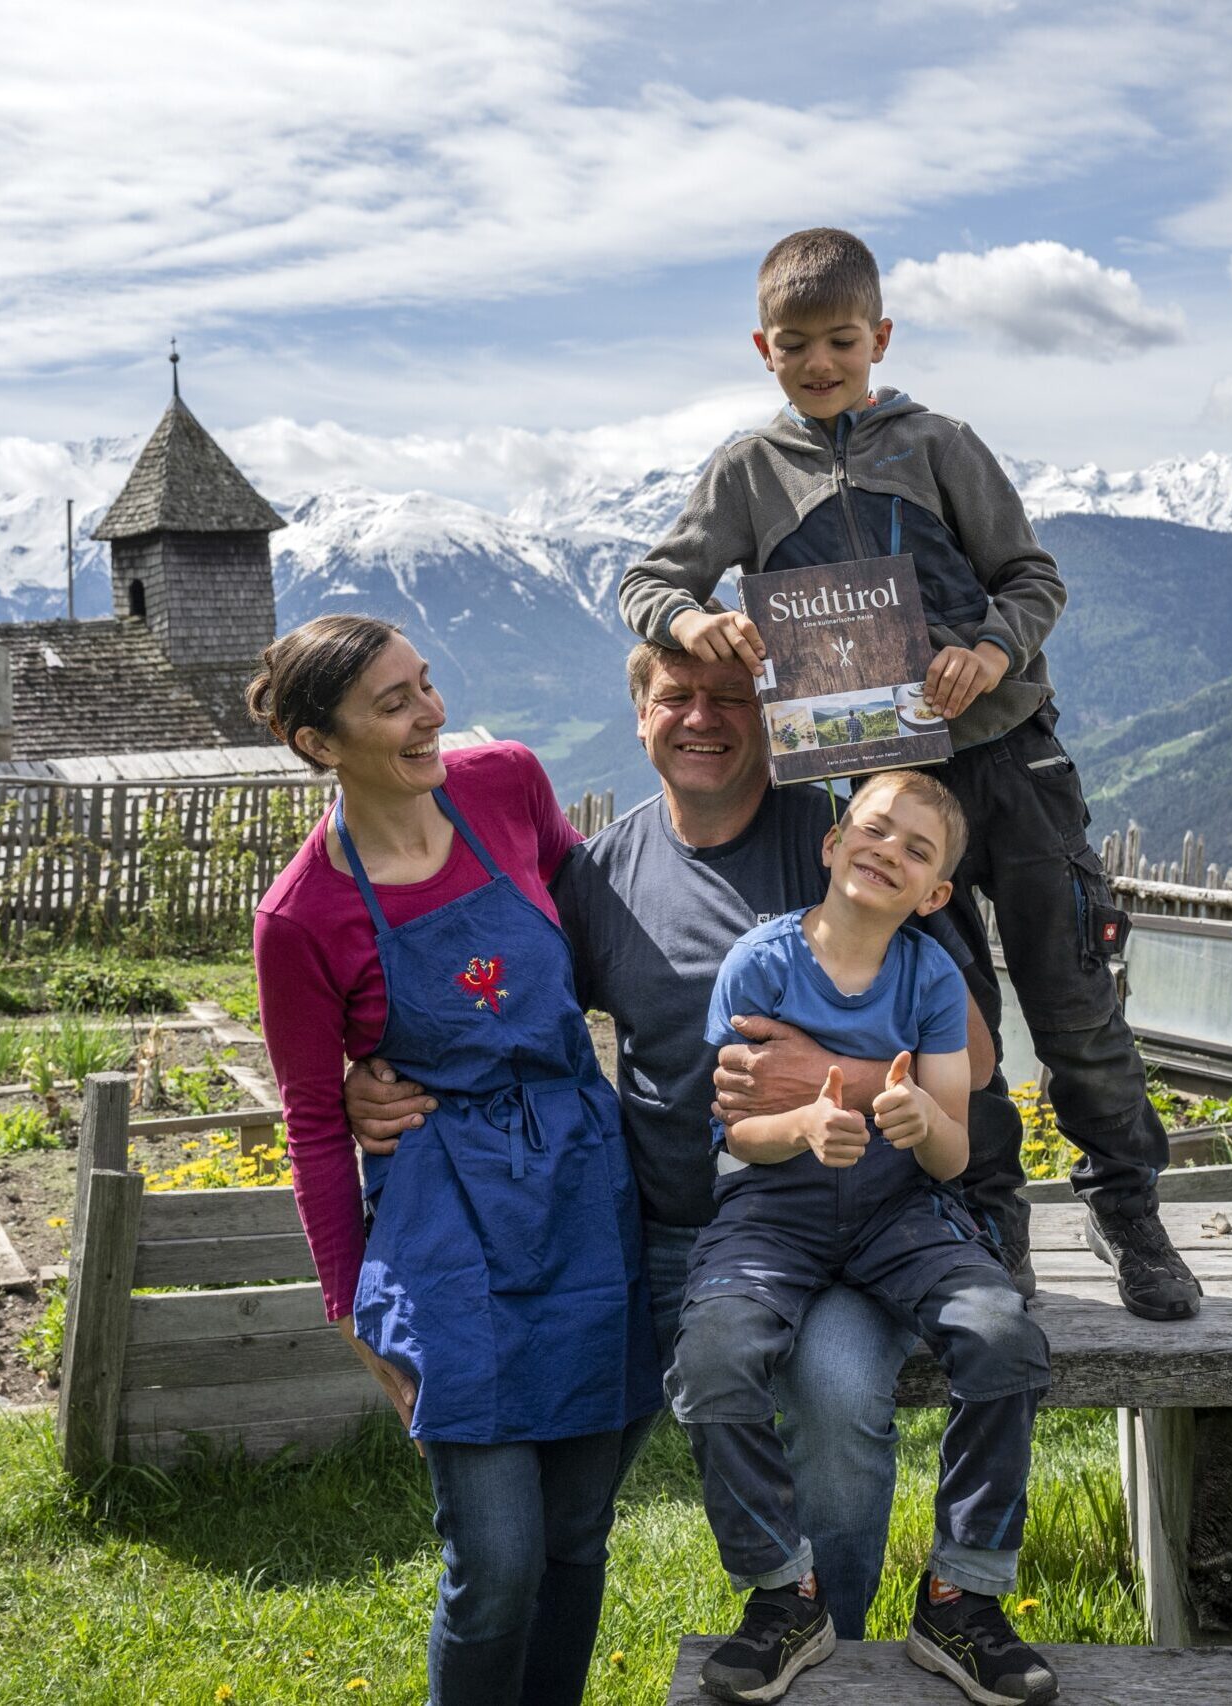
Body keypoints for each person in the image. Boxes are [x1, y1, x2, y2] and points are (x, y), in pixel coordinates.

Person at [347, 633, 1001, 1645]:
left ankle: (832, 1649)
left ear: (767, 714)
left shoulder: (839, 840)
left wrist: (842, 1080)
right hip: (657, 1228)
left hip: (844, 1224)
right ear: (641, 713)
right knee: (572, 1496)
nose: (703, 716)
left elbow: (982, 1054)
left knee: (831, 1407)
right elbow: (508, 1019)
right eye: (676, 695)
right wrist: (370, 1072)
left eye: (731, 695)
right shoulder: (600, 877)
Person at [616, 224, 1202, 1322]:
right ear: (764, 348)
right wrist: (698, 616)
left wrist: (994, 647)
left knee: (1073, 1003)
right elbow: (651, 579)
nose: (822, 362)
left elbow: (1033, 576)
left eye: (842, 339)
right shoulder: (747, 470)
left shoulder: (940, 443)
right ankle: (992, 1223)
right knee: (951, 1023)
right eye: (797, 345)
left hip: (1009, 764)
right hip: (877, 791)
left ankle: (1133, 1214)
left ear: (879, 336)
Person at [249, 614, 659, 1706]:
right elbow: (310, 1119)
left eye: (425, 684)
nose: (430, 711)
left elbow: (603, 942)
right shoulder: (302, 915)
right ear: (318, 742)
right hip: (445, 1220)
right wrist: (352, 1312)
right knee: (497, 1556)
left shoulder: (508, 784)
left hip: (581, 1189)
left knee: (576, 1531)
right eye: (393, 701)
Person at [672, 769, 1054, 1706]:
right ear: (832, 844)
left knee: (1003, 1335)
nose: (889, 849)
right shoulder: (760, 963)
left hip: (900, 1215)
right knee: (713, 1358)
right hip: (771, 1212)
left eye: (917, 850)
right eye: (874, 830)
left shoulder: (931, 976)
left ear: (934, 895)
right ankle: (781, 1593)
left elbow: (953, 1156)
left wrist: (922, 1120)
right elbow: (733, 1133)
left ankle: (962, 1595)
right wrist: (800, 1125)